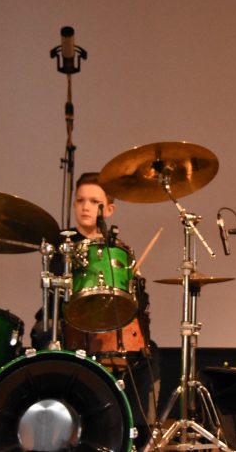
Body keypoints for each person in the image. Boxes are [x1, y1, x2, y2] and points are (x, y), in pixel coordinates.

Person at [30, 172, 160, 451]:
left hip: (110, 325)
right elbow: (53, 296)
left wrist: (134, 285)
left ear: (109, 209)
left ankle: (138, 434)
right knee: (42, 333)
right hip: (69, 323)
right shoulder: (63, 246)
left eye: (94, 202)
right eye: (80, 201)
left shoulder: (117, 251)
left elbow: (137, 299)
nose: (86, 207)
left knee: (148, 352)